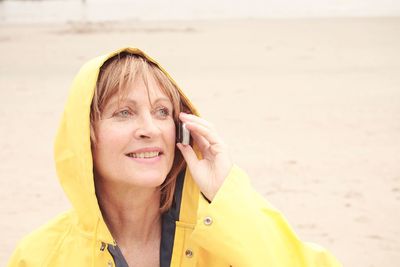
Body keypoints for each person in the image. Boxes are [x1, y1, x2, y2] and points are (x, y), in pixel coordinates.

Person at [8, 47, 341, 267]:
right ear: (85, 135)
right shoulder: (40, 256)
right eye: (124, 112)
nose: (149, 128)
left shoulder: (222, 234)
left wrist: (228, 194)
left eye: (162, 112)